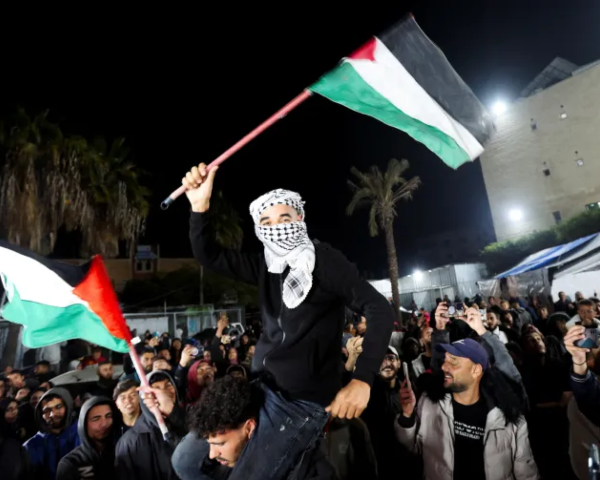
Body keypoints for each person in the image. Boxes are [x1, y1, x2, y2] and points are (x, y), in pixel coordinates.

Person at [183, 164, 394, 479]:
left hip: (301, 401)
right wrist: (199, 208)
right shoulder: (265, 266)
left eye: (284, 218)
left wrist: (362, 379)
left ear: (300, 219)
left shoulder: (325, 261)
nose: (276, 227)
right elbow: (209, 256)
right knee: (186, 461)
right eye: (266, 222)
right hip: (260, 388)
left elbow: (379, 308)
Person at [395, 333, 538, 480]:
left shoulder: (509, 420)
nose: (444, 366)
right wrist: (407, 417)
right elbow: (413, 447)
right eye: (445, 359)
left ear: (475, 370)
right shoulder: (430, 404)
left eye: (454, 361)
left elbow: (526, 472)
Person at [173, 376, 336, 479]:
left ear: (249, 428)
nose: (212, 454)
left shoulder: (314, 471)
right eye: (209, 443)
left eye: (220, 443)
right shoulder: (227, 463)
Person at [115, 370, 187, 480]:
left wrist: (174, 413)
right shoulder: (131, 441)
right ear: (144, 398)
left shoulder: (187, 420)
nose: (164, 392)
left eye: (168, 385)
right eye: (156, 388)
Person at [57, 396, 120, 480]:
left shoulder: (122, 453)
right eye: (96, 419)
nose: (104, 424)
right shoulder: (70, 463)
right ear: (84, 424)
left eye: (108, 416)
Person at [23, 387, 80, 479]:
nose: (52, 414)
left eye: (58, 407)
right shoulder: (31, 445)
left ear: (68, 406)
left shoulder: (83, 434)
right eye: (47, 410)